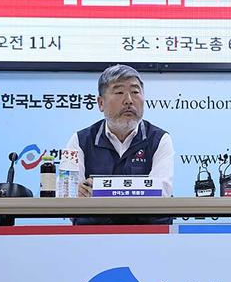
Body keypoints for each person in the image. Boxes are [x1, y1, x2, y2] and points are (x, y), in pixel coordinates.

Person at [64, 64, 174, 224]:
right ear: (101, 103)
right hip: (93, 234)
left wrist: (100, 192)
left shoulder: (159, 139)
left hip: (148, 234)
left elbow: (160, 195)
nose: (129, 100)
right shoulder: (80, 140)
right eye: (119, 92)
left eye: (135, 92)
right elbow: (69, 199)